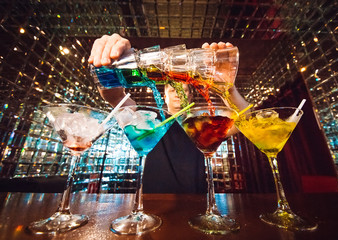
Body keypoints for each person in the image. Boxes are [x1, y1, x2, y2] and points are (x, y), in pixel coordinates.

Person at [88, 33, 250, 193]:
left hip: (195, 203)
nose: (179, 94)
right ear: (164, 97)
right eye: (173, 90)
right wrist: (108, 65)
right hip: (153, 204)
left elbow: (247, 122)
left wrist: (228, 88)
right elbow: (118, 99)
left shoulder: (200, 125)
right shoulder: (150, 121)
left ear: (191, 96)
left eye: (185, 90)